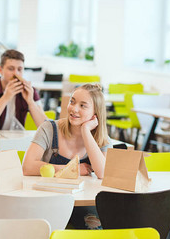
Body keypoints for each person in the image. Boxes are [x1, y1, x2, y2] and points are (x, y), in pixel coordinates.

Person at [22, 83, 111, 229]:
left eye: (83, 106)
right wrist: (71, 169)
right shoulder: (49, 128)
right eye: (72, 101)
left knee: (95, 229)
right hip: (47, 199)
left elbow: (102, 173)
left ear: (96, 113)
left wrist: (86, 132)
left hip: (82, 203)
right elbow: (27, 167)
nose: (74, 109)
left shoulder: (100, 138)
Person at [0, 49, 47, 130]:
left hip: (18, 139)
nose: (16, 73)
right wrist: (6, 97)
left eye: (19, 69)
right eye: (11, 69)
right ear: (0, 70)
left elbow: (44, 127)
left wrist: (30, 101)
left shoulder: (29, 89)